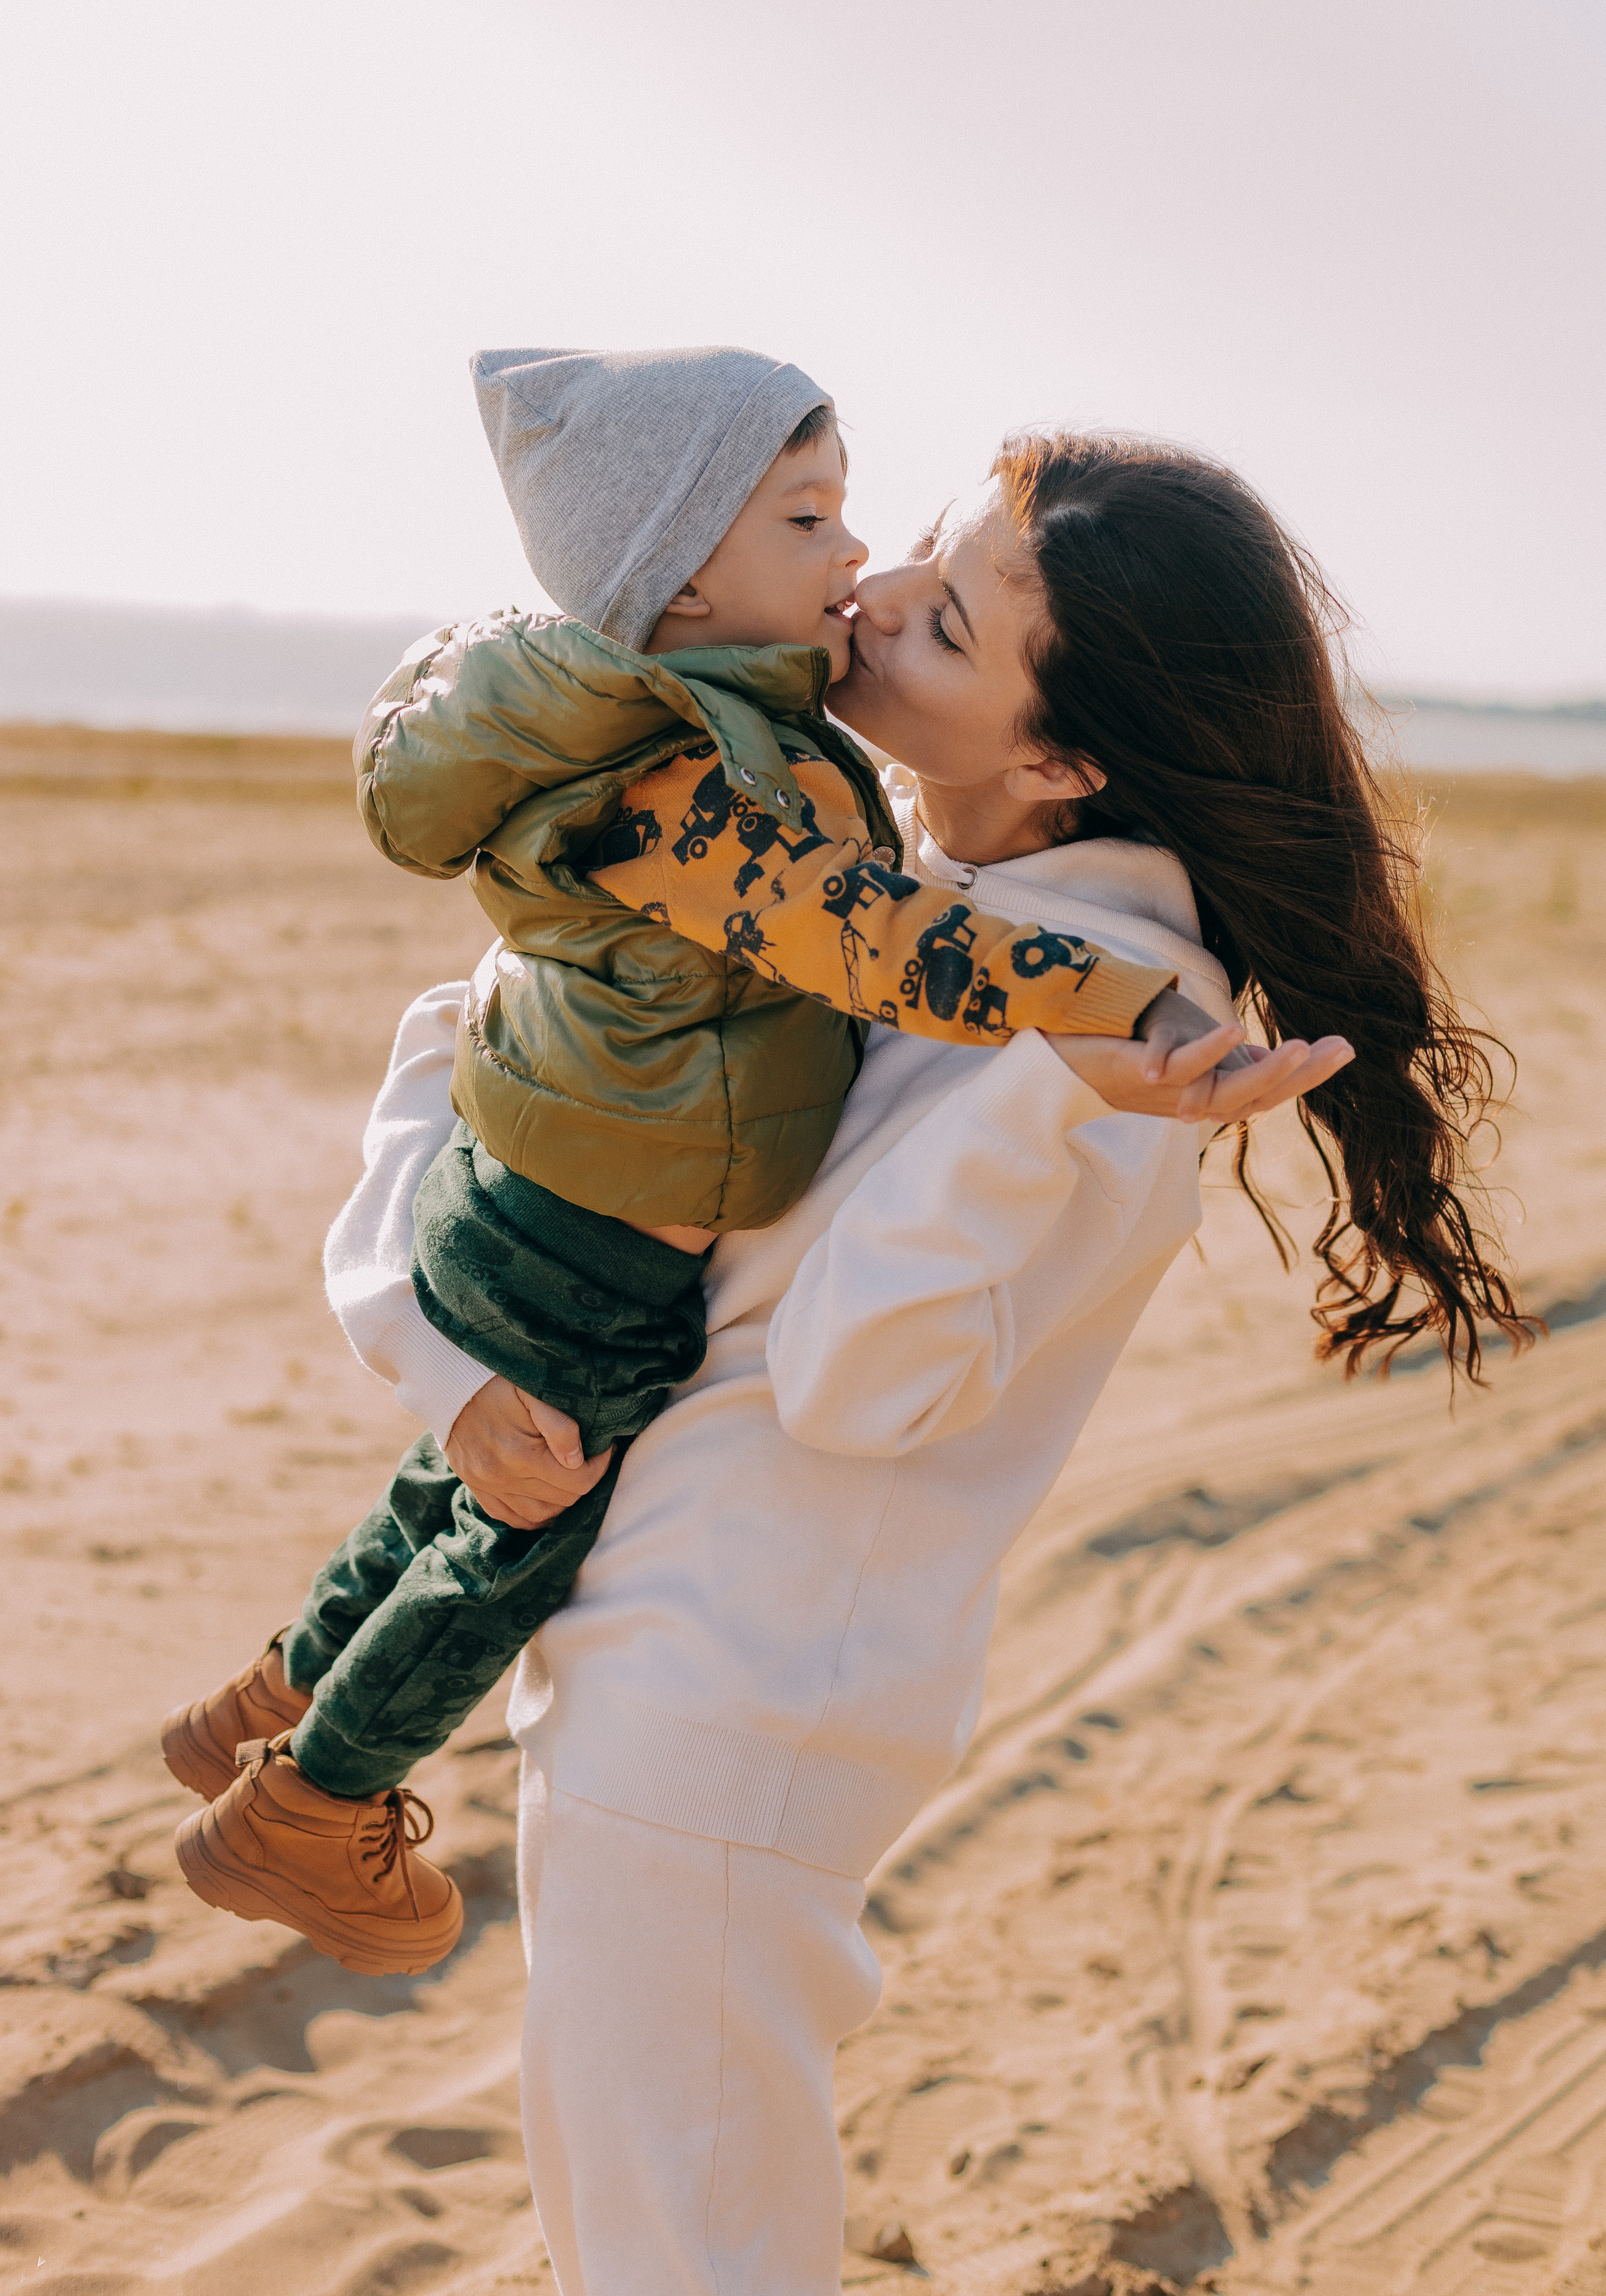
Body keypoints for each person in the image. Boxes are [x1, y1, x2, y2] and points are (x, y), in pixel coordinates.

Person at [297, 428, 1521, 2291]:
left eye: (941, 622)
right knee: (648, 2230)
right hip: (669, 1664)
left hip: (732, 1695)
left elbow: (863, 1380)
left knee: (677, 2254)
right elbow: (515, 1087)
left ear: (1062, 758)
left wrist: (1041, 1085)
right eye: (905, 557)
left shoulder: (1104, 1011)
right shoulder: (882, 909)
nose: (860, 601)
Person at [162, 348, 1250, 1975]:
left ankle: (278, 1687)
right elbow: (883, 948)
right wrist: (1111, 1019)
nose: (856, 572)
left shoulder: (712, 741)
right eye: (812, 521)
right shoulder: (698, 787)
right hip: (597, 1249)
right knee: (511, 1527)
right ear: (680, 579)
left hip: (547, 1203)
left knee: (458, 1480)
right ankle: (314, 1805)